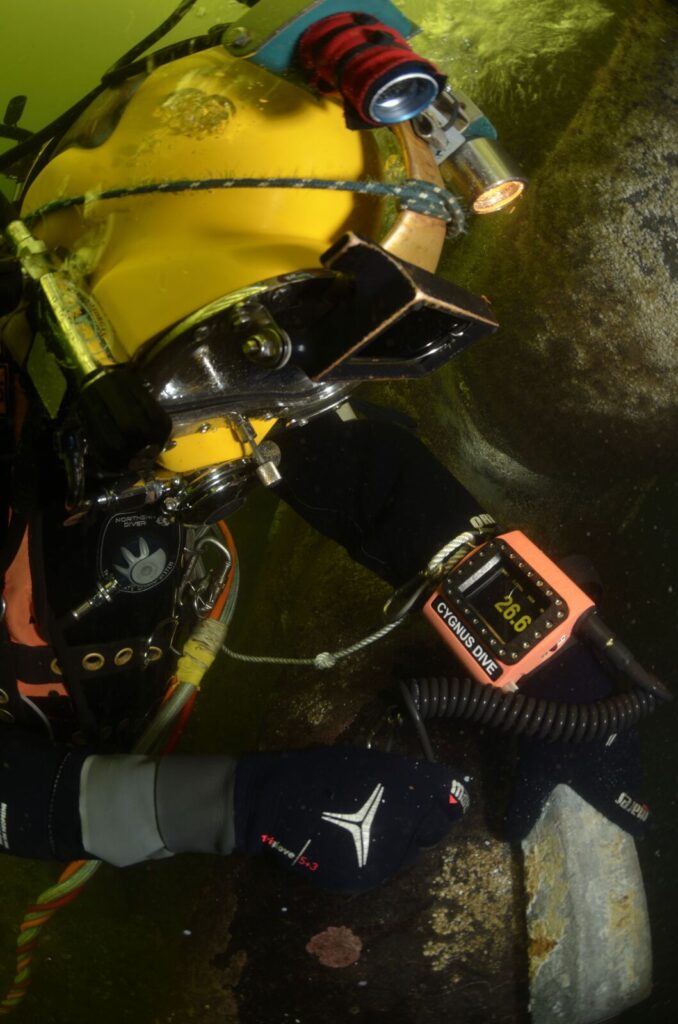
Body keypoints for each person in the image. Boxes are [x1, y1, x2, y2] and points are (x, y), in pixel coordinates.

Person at [0, 28, 649, 895]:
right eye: (266, 368)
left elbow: (354, 466)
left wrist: (555, 663)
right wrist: (210, 806)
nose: (290, 417)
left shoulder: (168, 383)